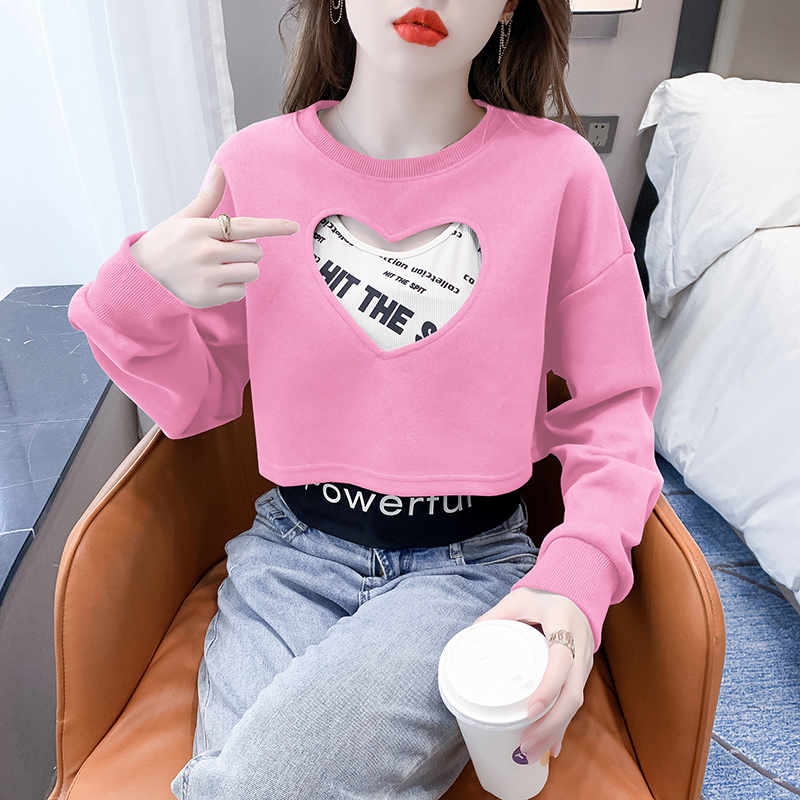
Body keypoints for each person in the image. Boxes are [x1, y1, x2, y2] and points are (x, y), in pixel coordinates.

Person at [67, 0, 664, 798]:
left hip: (468, 572)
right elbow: (195, 403)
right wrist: (137, 289)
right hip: (290, 558)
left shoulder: (559, 174)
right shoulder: (256, 166)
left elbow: (614, 410)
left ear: (509, 7)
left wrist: (573, 581)